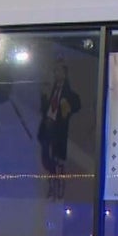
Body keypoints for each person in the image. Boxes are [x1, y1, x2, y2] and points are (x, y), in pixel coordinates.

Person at [37, 60, 81, 200]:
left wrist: (66, 104)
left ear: (64, 73)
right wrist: (43, 97)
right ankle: (53, 182)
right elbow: (45, 110)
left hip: (58, 130)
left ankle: (56, 186)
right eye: (55, 71)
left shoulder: (68, 93)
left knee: (56, 158)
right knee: (46, 158)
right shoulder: (52, 90)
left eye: (59, 71)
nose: (56, 73)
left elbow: (76, 104)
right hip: (47, 128)